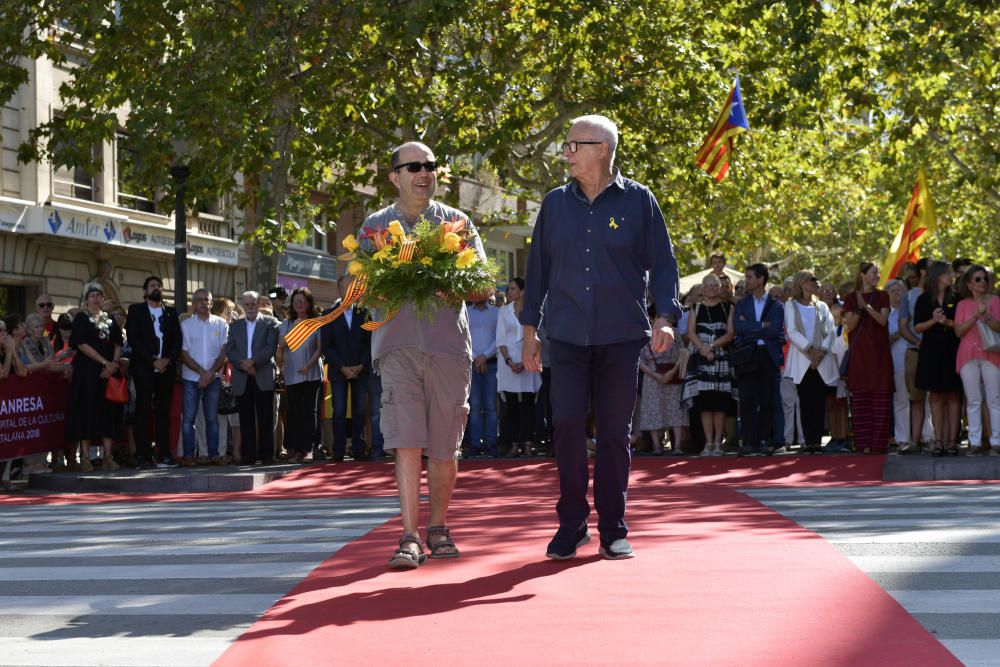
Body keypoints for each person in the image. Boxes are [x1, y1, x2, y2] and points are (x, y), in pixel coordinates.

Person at [521, 114, 680, 560]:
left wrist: (665, 316)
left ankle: (612, 527)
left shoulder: (640, 201)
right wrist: (530, 330)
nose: (566, 152)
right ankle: (571, 525)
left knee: (614, 433)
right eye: (567, 144)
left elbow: (665, 263)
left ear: (603, 150)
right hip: (566, 336)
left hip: (621, 335)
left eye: (575, 145)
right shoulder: (554, 204)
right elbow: (537, 271)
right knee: (567, 424)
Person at [357, 140, 490, 569]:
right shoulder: (375, 226)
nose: (424, 172)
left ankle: (439, 526)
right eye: (414, 166)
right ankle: (409, 536)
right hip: (396, 349)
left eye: (431, 166)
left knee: (445, 448)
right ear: (394, 176)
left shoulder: (458, 222)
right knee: (406, 442)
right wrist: (388, 278)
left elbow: (485, 287)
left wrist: (448, 282)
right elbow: (354, 288)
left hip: (449, 349)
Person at [64, 283, 123, 471]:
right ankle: (86, 458)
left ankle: (107, 456)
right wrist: (104, 362)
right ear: (86, 299)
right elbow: (80, 344)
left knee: (108, 413)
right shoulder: (81, 318)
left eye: (99, 295)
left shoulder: (110, 319)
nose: (96, 298)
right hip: (87, 372)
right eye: (92, 295)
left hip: (107, 374)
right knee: (86, 412)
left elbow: (118, 343)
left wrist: (113, 364)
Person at [125, 276, 182, 468]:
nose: (156, 288)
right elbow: (133, 339)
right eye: (152, 286)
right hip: (144, 368)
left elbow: (177, 341)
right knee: (142, 412)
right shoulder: (135, 311)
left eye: (159, 286)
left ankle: (164, 454)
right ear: (145, 291)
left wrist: (167, 360)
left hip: (166, 369)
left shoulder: (171, 313)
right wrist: (153, 361)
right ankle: (143, 455)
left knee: (163, 412)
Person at [783, 271, 839, 454]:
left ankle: (817, 440)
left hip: (821, 360)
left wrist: (820, 353)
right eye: (811, 280)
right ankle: (808, 441)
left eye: (816, 279)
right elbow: (792, 331)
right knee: (805, 401)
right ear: (801, 284)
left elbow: (830, 331)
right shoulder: (790, 306)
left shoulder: (821, 306)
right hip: (802, 360)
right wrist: (810, 350)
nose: (816, 283)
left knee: (819, 400)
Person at [681, 274, 736, 456]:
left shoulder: (729, 308)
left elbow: (730, 333)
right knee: (704, 403)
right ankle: (708, 443)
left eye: (715, 285)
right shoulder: (695, 308)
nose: (712, 287)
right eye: (708, 285)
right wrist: (703, 349)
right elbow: (690, 332)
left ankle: (718, 444)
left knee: (719, 403)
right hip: (701, 358)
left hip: (721, 357)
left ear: (720, 288)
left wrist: (711, 346)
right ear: (703, 288)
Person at [733, 263, 785, 456]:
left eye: (749, 277)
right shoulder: (741, 304)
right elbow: (739, 327)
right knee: (746, 399)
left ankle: (763, 440)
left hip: (767, 355)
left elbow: (775, 330)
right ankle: (749, 442)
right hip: (748, 354)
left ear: (761, 279)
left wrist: (752, 327)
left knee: (767, 399)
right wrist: (762, 325)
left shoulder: (775, 305)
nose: (746, 280)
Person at [843, 261, 894, 454]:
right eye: (873, 272)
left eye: (878, 272)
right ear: (862, 275)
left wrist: (867, 306)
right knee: (861, 402)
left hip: (880, 356)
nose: (877, 275)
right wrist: (859, 308)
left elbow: (882, 320)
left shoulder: (883, 296)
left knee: (880, 402)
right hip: (860, 357)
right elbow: (851, 325)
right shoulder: (849, 298)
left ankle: (879, 445)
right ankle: (863, 444)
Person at [225, 291, 280, 465]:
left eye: (253, 304)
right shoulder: (235, 326)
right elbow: (230, 350)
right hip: (242, 376)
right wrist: (243, 365)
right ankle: (249, 455)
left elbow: (270, 348)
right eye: (246, 304)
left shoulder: (271, 323)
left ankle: (266, 455)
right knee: (245, 418)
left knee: (265, 417)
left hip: (262, 374)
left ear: (258, 305)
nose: (250, 307)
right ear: (242, 305)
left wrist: (253, 363)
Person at [320, 275, 372, 462]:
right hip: (338, 371)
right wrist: (342, 367)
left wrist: (361, 366)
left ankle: (358, 449)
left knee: (359, 411)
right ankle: (339, 450)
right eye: (346, 286)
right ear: (339, 290)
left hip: (360, 370)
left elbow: (370, 343)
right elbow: (327, 346)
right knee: (339, 411)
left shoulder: (364, 313)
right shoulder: (329, 314)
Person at [179, 289, 229, 466]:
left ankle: (214, 455)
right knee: (189, 419)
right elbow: (183, 354)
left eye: (206, 300)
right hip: (191, 378)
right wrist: (202, 373)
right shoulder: (186, 325)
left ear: (211, 302)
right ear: (193, 303)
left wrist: (210, 374)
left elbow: (224, 352)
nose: (203, 303)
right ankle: (189, 456)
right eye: (199, 300)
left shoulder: (221, 324)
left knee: (211, 418)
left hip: (214, 378)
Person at [954, 265, 1000, 454]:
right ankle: (975, 442)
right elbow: (958, 331)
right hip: (968, 356)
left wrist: (987, 316)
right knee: (973, 400)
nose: (982, 282)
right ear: (969, 284)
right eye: (978, 279)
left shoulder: (996, 301)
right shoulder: (962, 305)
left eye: (984, 279)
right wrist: (974, 316)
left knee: (994, 400)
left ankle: (996, 442)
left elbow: (999, 327)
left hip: (991, 354)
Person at [277, 288, 324, 463]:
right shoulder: (286, 324)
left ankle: (308, 449)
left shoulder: (316, 321)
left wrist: (308, 366)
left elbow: (319, 348)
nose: (299, 303)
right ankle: (295, 449)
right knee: (294, 412)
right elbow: (281, 345)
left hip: (312, 373)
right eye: (296, 300)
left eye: (302, 300)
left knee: (309, 411)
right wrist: (295, 328)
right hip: (292, 374)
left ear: (309, 303)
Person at [497, 278, 540, 457]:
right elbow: (500, 338)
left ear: (522, 291)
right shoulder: (503, 311)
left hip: (528, 361)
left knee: (528, 405)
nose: (509, 292)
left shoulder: (531, 311)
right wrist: (510, 362)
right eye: (508, 289)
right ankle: (514, 444)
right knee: (511, 406)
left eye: (513, 289)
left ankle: (528, 443)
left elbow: (536, 336)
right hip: (508, 364)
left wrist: (525, 361)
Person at [898, 257, 935, 452]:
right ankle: (915, 441)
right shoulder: (909, 296)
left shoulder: (941, 294)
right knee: (916, 398)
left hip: (938, 353)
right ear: (923, 272)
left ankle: (938, 439)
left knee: (938, 397)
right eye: (932, 268)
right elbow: (903, 326)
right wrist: (918, 343)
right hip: (915, 352)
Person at [638, 315, 686, 455]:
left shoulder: (675, 333)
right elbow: (639, 360)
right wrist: (655, 375)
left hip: (672, 372)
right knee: (653, 409)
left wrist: (672, 372)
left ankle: (677, 445)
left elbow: (683, 354)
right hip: (652, 375)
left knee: (675, 409)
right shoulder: (645, 334)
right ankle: (656, 446)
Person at [467, 295, 500, 457]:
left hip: (492, 363)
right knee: (474, 406)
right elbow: (464, 338)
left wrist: (484, 356)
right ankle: (475, 444)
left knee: (491, 407)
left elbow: (498, 339)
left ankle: (491, 444)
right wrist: (476, 358)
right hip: (472, 364)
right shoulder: (465, 312)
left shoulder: (496, 312)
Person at [886, 279, 912, 451]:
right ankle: (903, 438)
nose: (897, 294)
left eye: (900, 290)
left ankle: (926, 436)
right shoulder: (885, 315)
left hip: (915, 361)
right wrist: (896, 335)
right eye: (893, 291)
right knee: (901, 402)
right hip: (897, 364)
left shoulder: (912, 311)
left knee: (920, 401)